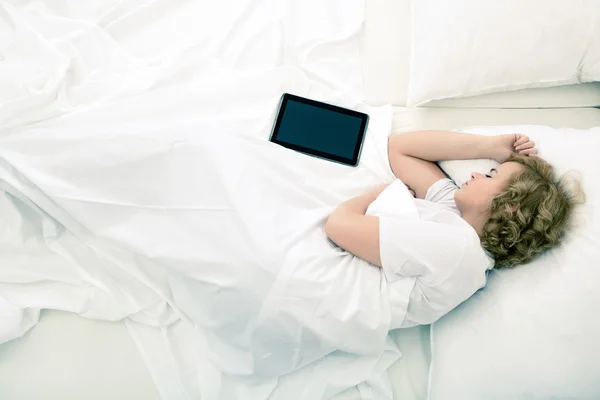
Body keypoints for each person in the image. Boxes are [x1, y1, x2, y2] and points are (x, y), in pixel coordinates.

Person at [324, 130, 582, 326]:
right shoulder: (458, 220)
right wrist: (489, 146)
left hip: (324, 296)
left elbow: (338, 225)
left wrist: (382, 192)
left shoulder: (457, 250)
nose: (475, 175)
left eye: (491, 175)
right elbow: (400, 149)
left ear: (509, 205)